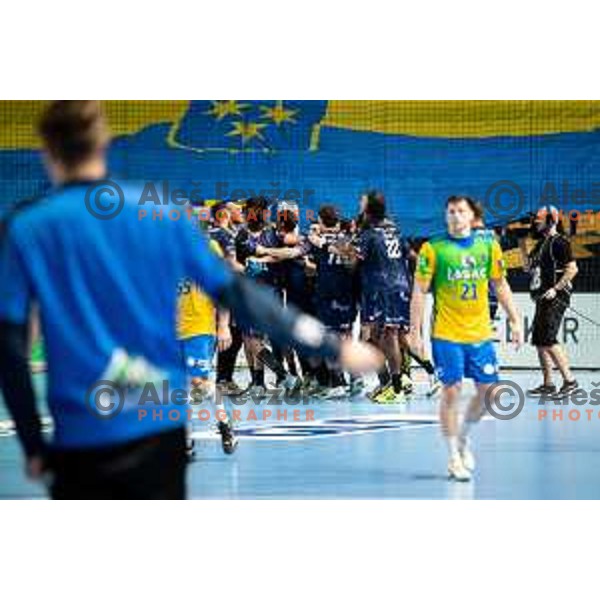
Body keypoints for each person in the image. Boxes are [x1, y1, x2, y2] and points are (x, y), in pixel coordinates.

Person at [0, 100, 382, 499]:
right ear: (104, 141)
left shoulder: (26, 228)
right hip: (155, 427)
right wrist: (329, 344)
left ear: (45, 149)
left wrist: (31, 442)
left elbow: (11, 347)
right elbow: (239, 293)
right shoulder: (161, 213)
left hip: (80, 431)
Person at [410, 195, 522, 482]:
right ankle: (452, 457)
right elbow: (420, 292)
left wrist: (515, 318)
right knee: (451, 391)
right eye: (450, 211)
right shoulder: (432, 248)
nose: (455, 216)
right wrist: (415, 332)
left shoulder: (489, 245)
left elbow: (499, 283)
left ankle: (462, 437)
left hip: (480, 333)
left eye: (461, 211)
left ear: (473, 216)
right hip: (446, 333)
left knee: (489, 394)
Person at [354, 191, 414, 403]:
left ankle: (397, 387)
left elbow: (353, 260)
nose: (359, 205)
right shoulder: (394, 229)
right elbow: (410, 255)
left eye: (362, 203)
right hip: (398, 285)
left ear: (369, 208)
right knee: (379, 337)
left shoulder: (369, 233)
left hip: (382, 288)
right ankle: (395, 382)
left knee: (388, 335)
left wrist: (332, 247)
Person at [520, 205, 579, 397]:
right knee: (539, 341)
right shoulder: (540, 244)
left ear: (551, 220)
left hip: (556, 297)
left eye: (539, 218)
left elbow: (572, 269)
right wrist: (521, 243)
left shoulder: (559, 242)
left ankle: (570, 382)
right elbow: (527, 268)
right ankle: (548, 384)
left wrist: (556, 289)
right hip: (542, 297)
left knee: (548, 338)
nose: (535, 221)